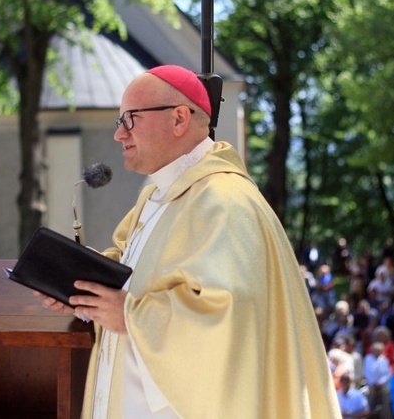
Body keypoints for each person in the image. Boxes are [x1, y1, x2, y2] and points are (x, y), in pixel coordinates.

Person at [38, 65, 339, 417]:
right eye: (120, 121)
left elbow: (229, 315)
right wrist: (81, 287)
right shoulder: (154, 200)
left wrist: (132, 315)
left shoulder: (224, 200)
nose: (120, 134)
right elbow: (127, 273)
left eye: (130, 119)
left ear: (180, 118)